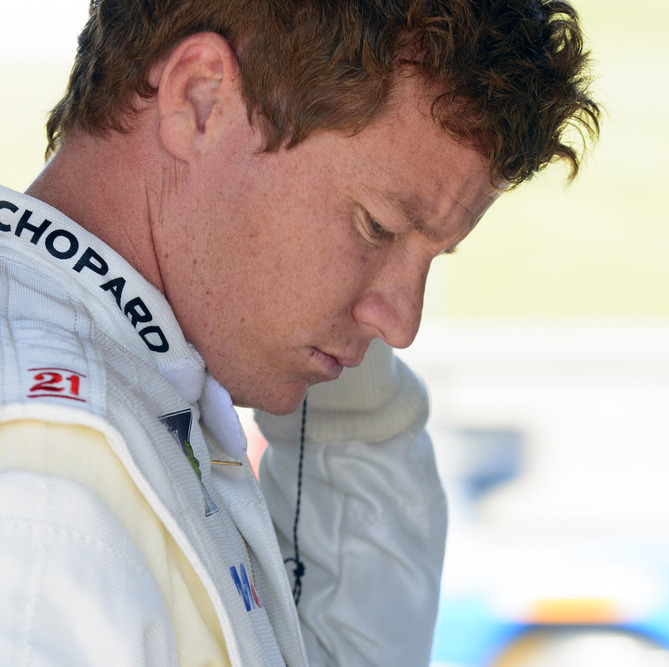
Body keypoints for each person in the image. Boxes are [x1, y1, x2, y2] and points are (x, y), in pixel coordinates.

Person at [0, 0, 599, 665]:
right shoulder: (50, 482)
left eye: (433, 254)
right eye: (377, 226)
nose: (402, 324)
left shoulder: (130, 388)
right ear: (200, 99)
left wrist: (354, 411)